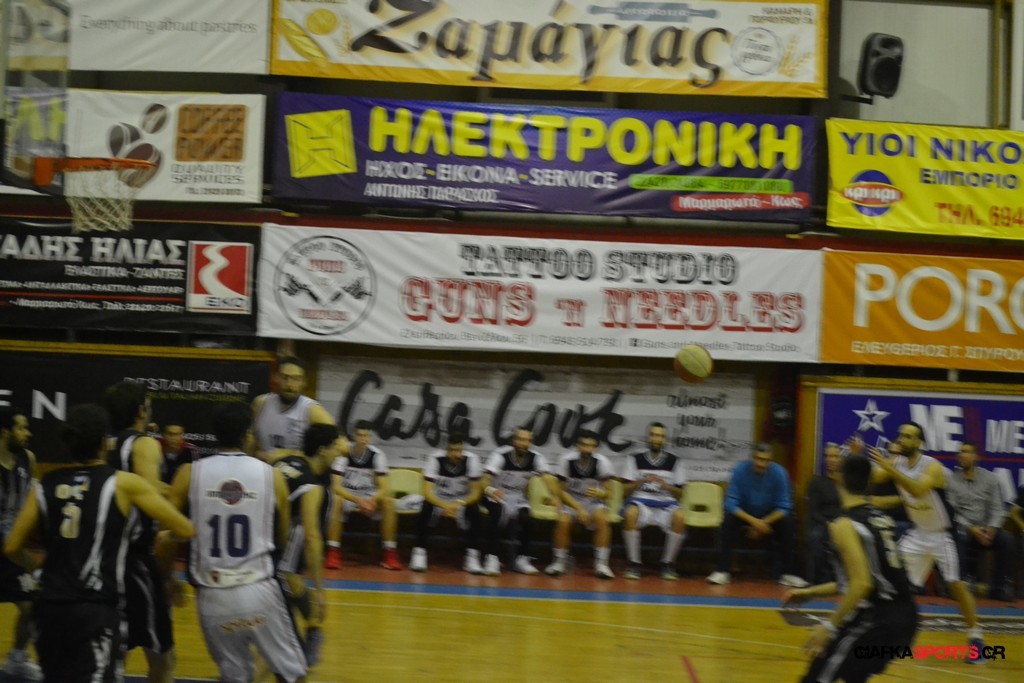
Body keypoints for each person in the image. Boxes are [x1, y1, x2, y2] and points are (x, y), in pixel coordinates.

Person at [3, 403, 194, 683]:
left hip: (49, 607)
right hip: (93, 608)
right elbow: (185, 529)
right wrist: (165, 539)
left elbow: (11, 547)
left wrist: (36, 568)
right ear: (105, 443)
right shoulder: (123, 483)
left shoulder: (45, 484)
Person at [168, 401, 308, 683]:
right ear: (247, 434)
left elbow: (167, 532)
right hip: (258, 590)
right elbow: (282, 536)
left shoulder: (188, 473)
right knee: (292, 674)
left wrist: (168, 578)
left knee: (234, 676)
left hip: (212, 594)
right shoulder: (272, 475)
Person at [783, 455, 919, 683]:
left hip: (880, 619)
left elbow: (861, 584)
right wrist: (809, 593)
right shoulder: (880, 517)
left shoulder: (844, 525)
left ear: (838, 478)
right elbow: (858, 580)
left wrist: (828, 626)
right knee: (853, 676)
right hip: (905, 618)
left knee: (819, 673)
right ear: (869, 483)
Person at [868, 421, 985, 663]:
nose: (901, 439)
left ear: (919, 443)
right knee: (895, 582)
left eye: (908, 436)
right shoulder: (896, 462)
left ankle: (976, 638)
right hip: (919, 533)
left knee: (956, 586)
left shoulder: (932, 466)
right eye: (900, 434)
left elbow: (918, 490)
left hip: (944, 534)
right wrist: (858, 459)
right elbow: (875, 477)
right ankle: (894, 635)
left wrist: (888, 467)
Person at [103, 380, 176, 682]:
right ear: (141, 410)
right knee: (163, 657)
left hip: (106, 555)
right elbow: (150, 492)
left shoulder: (106, 445)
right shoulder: (144, 444)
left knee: (113, 652)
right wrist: (187, 490)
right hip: (135, 560)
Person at [271, 423, 346, 666]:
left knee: (286, 577)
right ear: (322, 450)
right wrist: (321, 591)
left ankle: (309, 633)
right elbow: (313, 538)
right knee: (284, 579)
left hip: (267, 530)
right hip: (272, 532)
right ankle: (310, 630)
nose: (339, 452)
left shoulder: (282, 460)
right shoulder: (311, 485)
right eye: (336, 447)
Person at [707, 442, 807, 587]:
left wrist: (764, 522)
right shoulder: (740, 470)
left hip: (769, 516)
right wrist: (754, 522)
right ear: (752, 458)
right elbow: (731, 503)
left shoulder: (779, 473)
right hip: (746, 514)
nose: (762, 464)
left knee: (788, 522)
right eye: (759, 459)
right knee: (728, 520)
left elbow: (785, 506)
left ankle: (788, 574)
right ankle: (722, 571)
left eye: (766, 460)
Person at [481, 426, 558, 576]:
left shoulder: (536, 458)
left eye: (528, 440)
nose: (525, 443)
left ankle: (522, 559)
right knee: (497, 514)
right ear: (514, 441)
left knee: (527, 518)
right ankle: (492, 558)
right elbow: (484, 479)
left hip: (518, 496)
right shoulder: (500, 455)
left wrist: (555, 496)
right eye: (521, 440)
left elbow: (548, 479)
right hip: (496, 494)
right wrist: (490, 490)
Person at [0, 407, 41, 680]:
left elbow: (31, 504)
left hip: (13, 549)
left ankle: (16, 658)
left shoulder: (28, 459)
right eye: (21, 428)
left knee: (31, 605)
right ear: (5, 432)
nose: (27, 433)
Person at [327, 420, 402, 570]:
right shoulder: (343, 454)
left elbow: (384, 488)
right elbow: (336, 486)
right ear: (354, 436)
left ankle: (390, 552)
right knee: (336, 500)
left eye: (366, 436)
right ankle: (333, 551)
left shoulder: (377, 455)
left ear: (370, 437)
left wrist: (371, 500)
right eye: (360, 435)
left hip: (368, 494)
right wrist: (358, 500)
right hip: (348, 494)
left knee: (388, 501)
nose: (363, 439)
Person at [946, 441, 1013, 602]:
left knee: (1007, 540)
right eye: (960, 452)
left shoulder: (990, 479)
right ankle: (961, 586)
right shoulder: (952, 480)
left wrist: (991, 529)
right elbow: (953, 512)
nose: (962, 455)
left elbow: (998, 508)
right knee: (959, 537)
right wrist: (971, 528)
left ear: (976, 456)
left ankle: (998, 588)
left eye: (966, 452)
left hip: (987, 529)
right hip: (965, 528)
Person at [409, 433, 485, 574]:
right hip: (440, 499)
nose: (455, 454)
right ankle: (419, 552)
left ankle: (472, 556)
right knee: (425, 507)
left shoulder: (471, 460)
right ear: (446, 450)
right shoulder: (435, 459)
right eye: (451, 450)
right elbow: (427, 492)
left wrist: (459, 503)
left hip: (461, 500)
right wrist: (445, 506)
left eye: (458, 450)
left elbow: (476, 492)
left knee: (475, 511)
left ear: (462, 450)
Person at [620, 422, 687, 580]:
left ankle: (668, 564)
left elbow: (682, 493)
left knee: (680, 517)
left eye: (660, 436)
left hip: (665, 503)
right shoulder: (634, 458)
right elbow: (624, 490)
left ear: (664, 439)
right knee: (630, 514)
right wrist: (641, 481)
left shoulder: (674, 460)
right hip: (641, 502)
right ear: (648, 437)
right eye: (654, 435)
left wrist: (666, 486)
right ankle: (634, 564)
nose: (657, 439)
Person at [545, 430, 615, 579]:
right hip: (571, 501)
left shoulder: (602, 462)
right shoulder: (566, 460)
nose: (587, 449)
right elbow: (560, 491)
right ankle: (559, 562)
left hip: (593, 502)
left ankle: (602, 564)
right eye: (583, 445)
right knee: (563, 521)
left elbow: (609, 493)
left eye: (591, 446)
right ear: (577, 446)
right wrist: (578, 508)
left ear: (595, 448)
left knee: (603, 519)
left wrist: (600, 493)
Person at [252, 357, 335, 461]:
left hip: (296, 469)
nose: (289, 384)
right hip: (263, 468)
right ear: (276, 377)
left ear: (304, 382)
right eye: (284, 377)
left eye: (296, 378)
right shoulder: (261, 403)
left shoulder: (312, 410)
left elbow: (340, 444)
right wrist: (254, 453)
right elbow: (249, 438)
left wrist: (292, 455)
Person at [804, 442, 842, 584]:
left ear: (840, 459)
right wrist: (828, 524)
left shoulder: (845, 483)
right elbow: (813, 511)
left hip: (843, 524)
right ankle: (814, 581)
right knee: (815, 537)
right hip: (822, 522)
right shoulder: (817, 482)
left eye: (834, 456)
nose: (830, 459)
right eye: (828, 456)